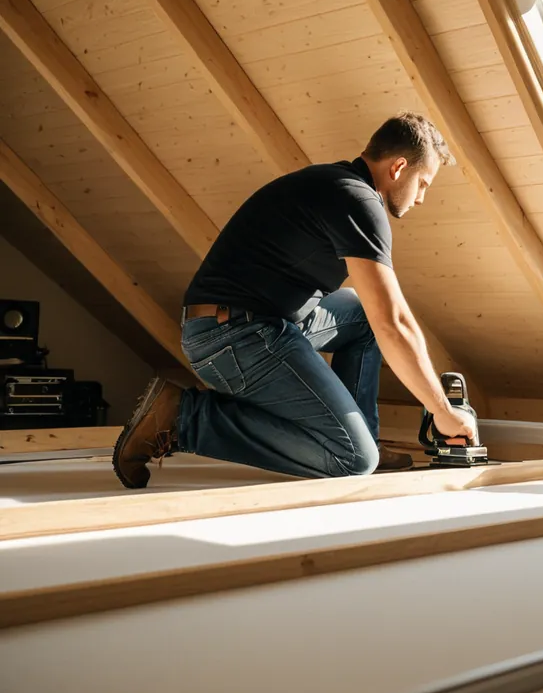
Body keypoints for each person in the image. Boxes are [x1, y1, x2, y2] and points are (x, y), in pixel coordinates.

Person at [111, 112, 477, 489]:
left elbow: (382, 315)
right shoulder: (359, 200)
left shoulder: (337, 184)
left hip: (250, 320)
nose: (421, 199)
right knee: (352, 457)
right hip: (232, 335)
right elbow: (394, 322)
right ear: (399, 167)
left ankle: (363, 435)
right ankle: (184, 418)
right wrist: (442, 411)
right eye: (423, 184)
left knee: (361, 315)